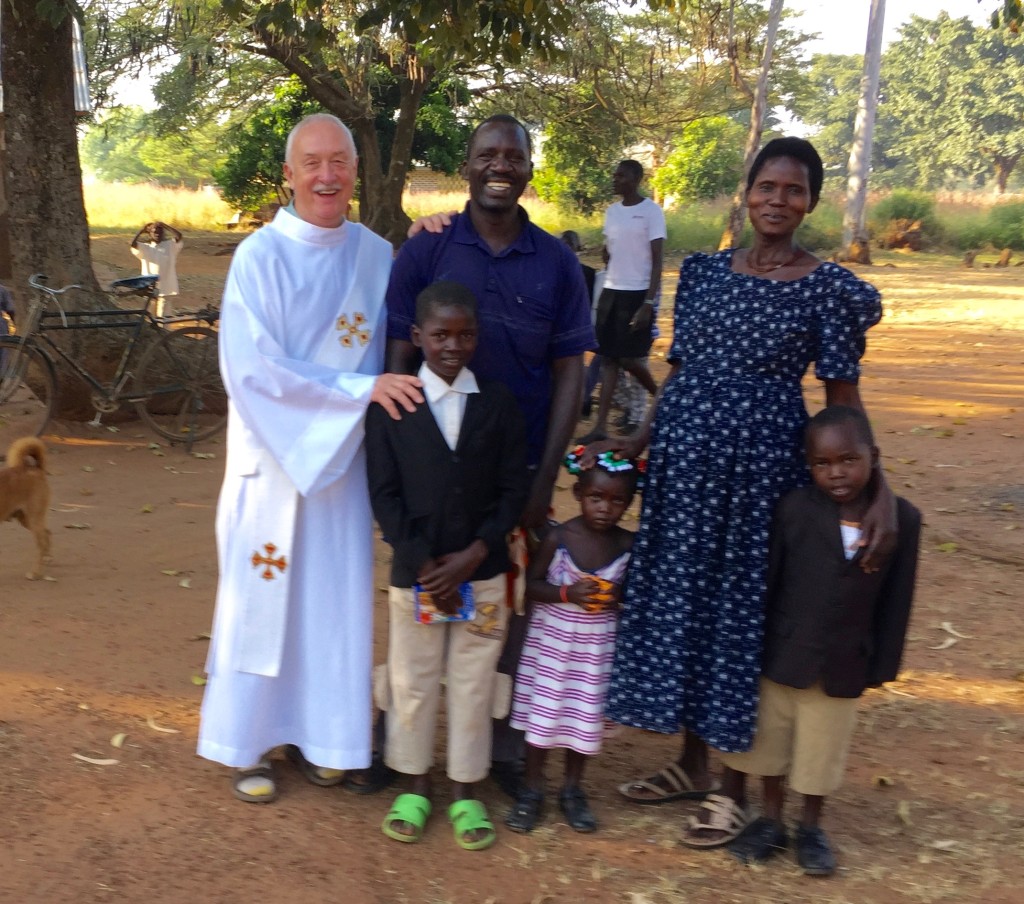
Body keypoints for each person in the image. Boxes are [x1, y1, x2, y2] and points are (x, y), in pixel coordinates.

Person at [588, 138, 897, 844]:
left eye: (793, 190)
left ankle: (730, 789)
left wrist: (873, 484)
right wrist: (638, 441)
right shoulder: (702, 272)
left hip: (762, 478)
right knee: (687, 605)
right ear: (747, 191)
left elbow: (841, 399)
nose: (777, 200)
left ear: (811, 202)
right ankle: (689, 763)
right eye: (767, 186)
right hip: (684, 470)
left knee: (740, 616)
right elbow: (681, 372)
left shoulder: (828, 288)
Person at [197, 113, 423, 804]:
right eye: (312, 163)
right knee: (261, 604)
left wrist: (440, 233)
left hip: (340, 470)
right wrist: (359, 388)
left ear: (355, 172)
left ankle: (327, 740)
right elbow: (252, 369)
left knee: (329, 605)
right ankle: (248, 743)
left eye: (339, 162)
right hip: (271, 463)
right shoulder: (259, 258)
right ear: (290, 174)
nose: (327, 175)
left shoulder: (378, 256)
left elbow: (418, 308)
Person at [385, 113, 596, 793]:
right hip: (430, 469)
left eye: (513, 156)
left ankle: (498, 755)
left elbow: (571, 370)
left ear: (529, 170)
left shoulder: (558, 263)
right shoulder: (429, 249)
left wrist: (543, 480)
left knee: (507, 609)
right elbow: (396, 356)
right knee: (422, 599)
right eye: (487, 155)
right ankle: (410, 755)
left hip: (517, 473)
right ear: (468, 165)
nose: (500, 166)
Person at [712, 406, 920, 875]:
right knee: (769, 745)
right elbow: (770, 580)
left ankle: (809, 826)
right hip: (783, 654)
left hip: (844, 663)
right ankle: (769, 821)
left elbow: (897, 602)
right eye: (822, 464)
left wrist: (882, 666)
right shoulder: (794, 509)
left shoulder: (901, 520)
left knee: (820, 755)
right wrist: (752, 645)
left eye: (848, 459)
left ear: (874, 457)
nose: (836, 473)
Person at [367, 281, 528, 850]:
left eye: (464, 334)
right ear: (417, 338)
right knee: (410, 680)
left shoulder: (499, 405)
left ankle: (465, 790)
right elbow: (383, 494)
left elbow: (514, 489)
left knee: (473, 682)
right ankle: (414, 781)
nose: (452, 345)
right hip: (417, 579)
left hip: (482, 578)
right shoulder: (394, 407)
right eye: (440, 335)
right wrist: (422, 563)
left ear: (478, 337)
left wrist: (477, 552)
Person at [505, 449, 637, 835]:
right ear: (579, 492)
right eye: (596, 498)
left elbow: (636, 594)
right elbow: (530, 587)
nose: (604, 509)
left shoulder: (629, 546)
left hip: (595, 653)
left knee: (584, 719)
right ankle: (532, 790)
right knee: (542, 719)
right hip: (553, 648)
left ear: (629, 504)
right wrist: (566, 594)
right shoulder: (559, 537)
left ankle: (572, 790)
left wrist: (618, 597)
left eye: (617, 501)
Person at [578, 160, 665, 444]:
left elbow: (657, 261)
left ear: (637, 178)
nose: (615, 180)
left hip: (638, 292)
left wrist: (649, 302)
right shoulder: (612, 212)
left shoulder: (651, 212)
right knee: (609, 360)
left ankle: (664, 398)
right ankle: (600, 427)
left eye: (621, 176)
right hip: (612, 291)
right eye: (614, 175)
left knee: (629, 358)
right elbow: (610, 250)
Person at [130, 221, 184, 318]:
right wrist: (142, 230)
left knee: (164, 317)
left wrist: (165, 225)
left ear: (164, 233)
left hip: (166, 287)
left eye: (160, 232)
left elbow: (179, 236)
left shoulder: (170, 245)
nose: (157, 234)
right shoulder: (145, 248)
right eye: (154, 232)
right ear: (150, 234)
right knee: (150, 316)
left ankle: (164, 332)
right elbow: (132, 244)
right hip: (150, 288)